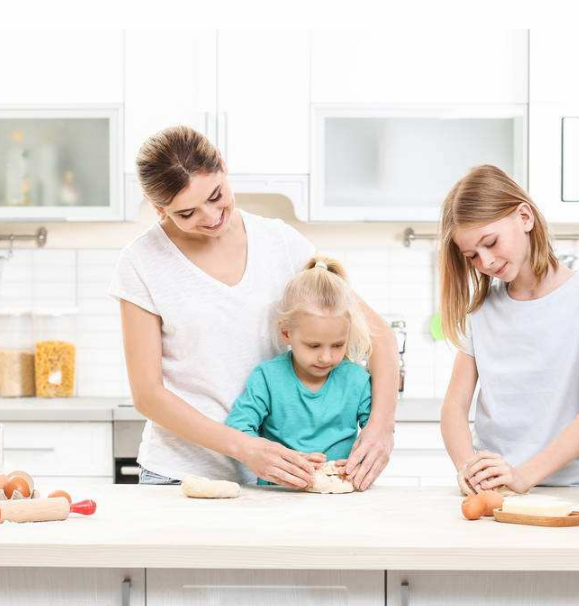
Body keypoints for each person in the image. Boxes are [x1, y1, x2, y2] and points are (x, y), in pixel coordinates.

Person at [109, 125, 397, 489]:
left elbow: (379, 337)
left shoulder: (281, 243)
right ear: (159, 208)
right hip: (180, 476)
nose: (211, 217)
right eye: (186, 213)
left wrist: (380, 430)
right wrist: (245, 448)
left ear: (224, 167)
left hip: (284, 479)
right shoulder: (141, 262)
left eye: (216, 195)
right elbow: (148, 395)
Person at [437, 165, 579, 494]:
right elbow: (454, 406)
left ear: (525, 217)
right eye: (472, 255)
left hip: (569, 492)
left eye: (491, 242)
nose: (485, 261)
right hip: (497, 492)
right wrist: (469, 468)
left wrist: (524, 475)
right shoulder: (481, 312)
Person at [226, 256, 372, 484]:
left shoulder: (357, 380)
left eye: (337, 345)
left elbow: (375, 437)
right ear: (286, 333)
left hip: (341, 499)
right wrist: (281, 460)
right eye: (313, 346)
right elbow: (238, 428)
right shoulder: (267, 378)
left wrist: (359, 463)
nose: (326, 357)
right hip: (275, 497)